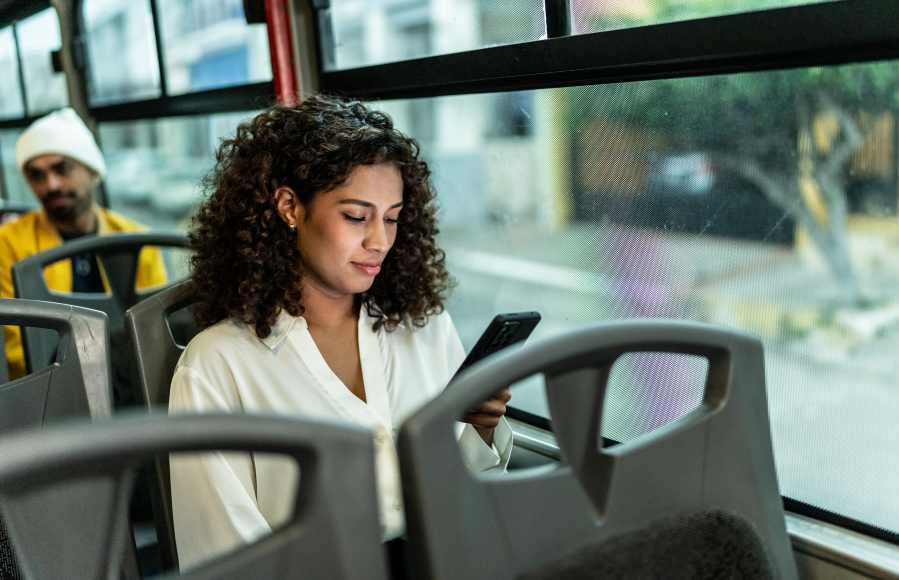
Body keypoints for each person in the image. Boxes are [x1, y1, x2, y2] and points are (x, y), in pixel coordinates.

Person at [168, 95, 514, 569]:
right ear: (290, 207)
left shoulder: (425, 328)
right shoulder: (216, 365)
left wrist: (482, 428)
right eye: (356, 216)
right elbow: (223, 557)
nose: (380, 242)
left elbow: (465, 491)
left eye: (392, 218)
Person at [0, 108, 167, 379]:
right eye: (37, 175)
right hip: (51, 383)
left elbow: (153, 330)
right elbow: (16, 346)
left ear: (91, 170)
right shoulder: (8, 244)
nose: (51, 185)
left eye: (61, 169)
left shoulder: (135, 239)